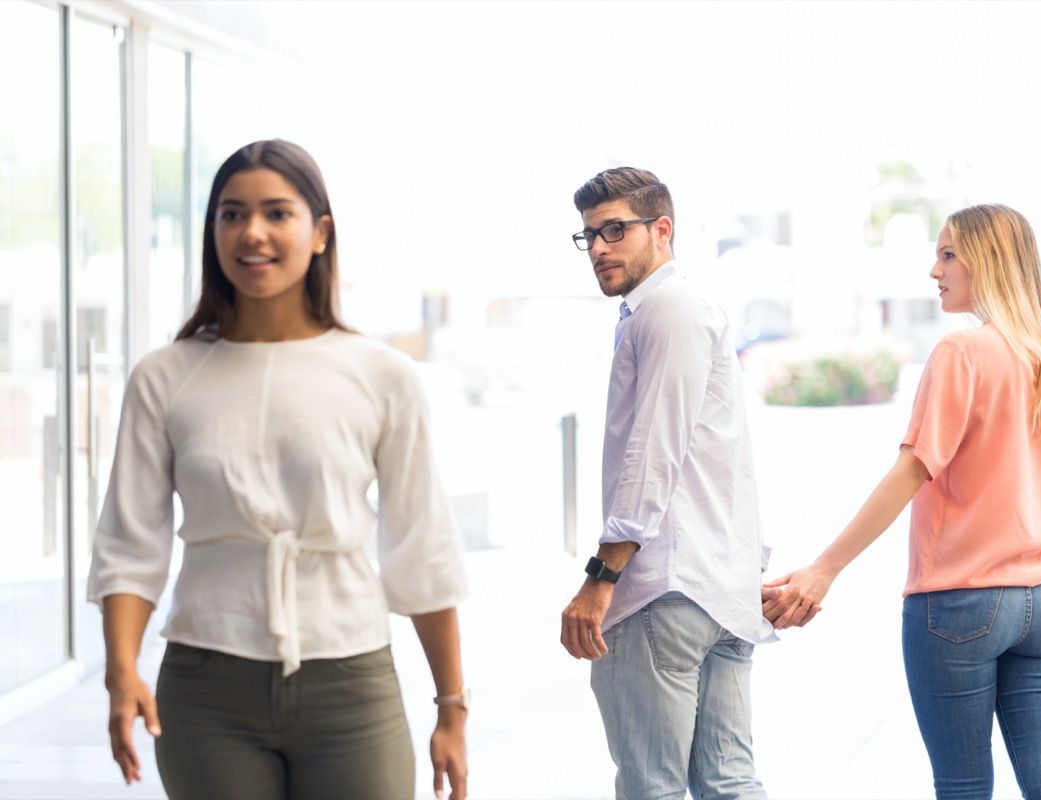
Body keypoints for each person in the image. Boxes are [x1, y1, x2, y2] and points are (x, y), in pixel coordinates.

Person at [88, 139, 470, 800]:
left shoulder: (381, 375)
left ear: (320, 232)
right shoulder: (166, 376)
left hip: (349, 677)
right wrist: (122, 671)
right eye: (231, 215)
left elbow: (422, 549)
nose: (252, 233)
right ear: (212, 233)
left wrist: (451, 707)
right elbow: (130, 544)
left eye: (276, 213)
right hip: (207, 686)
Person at [762, 204, 1041, 800]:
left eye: (947, 254)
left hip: (959, 607)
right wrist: (1037, 568)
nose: (934, 270)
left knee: (964, 787)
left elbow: (911, 473)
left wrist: (824, 569)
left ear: (989, 262)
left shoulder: (963, 353)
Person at [559, 167, 776, 800]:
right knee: (728, 785)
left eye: (614, 230)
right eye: (589, 236)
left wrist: (601, 578)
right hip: (716, 590)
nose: (598, 248)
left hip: (668, 592)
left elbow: (653, 453)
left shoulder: (668, 306)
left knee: (653, 787)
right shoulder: (678, 307)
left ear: (662, 229)